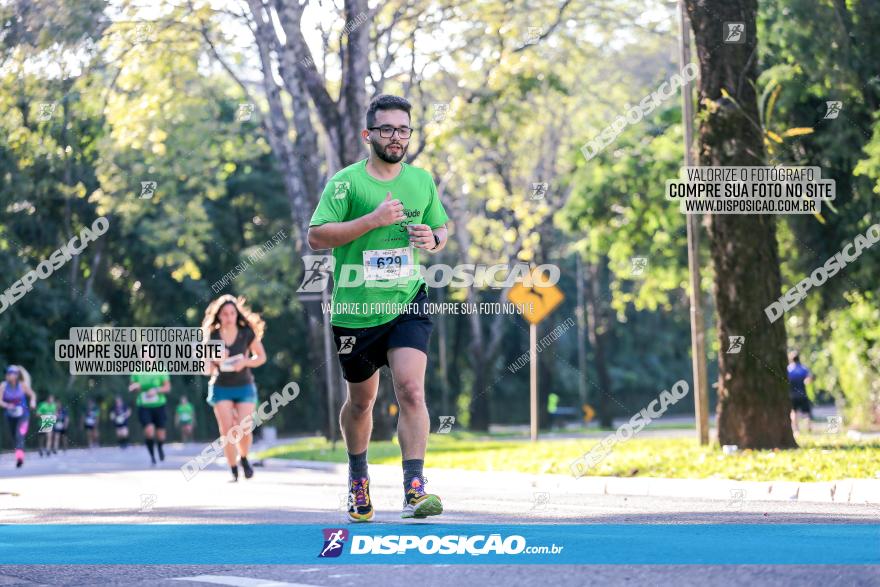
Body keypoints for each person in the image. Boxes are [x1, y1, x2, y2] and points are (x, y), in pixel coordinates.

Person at [307, 94, 449, 521]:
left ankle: (415, 489)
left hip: (407, 299)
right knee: (362, 403)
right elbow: (317, 237)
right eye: (386, 129)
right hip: (355, 311)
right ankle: (357, 477)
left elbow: (440, 226)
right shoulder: (346, 184)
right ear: (368, 134)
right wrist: (373, 219)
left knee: (411, 389)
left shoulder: (421, 180)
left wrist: (434, 239)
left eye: (403, 129)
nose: (396, 137)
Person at [201, 295, 266, 482]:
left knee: (244, 428)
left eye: (232, 313)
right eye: (225, 314)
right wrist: (215, 360)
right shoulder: (212, 337)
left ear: (236, 314)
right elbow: (206, 368)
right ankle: (233, 469)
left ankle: (244, 458)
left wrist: (244, 361)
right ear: (219, 316)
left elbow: (261, 357)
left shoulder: (246, 333)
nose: (229, 317)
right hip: (221, 387)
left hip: (244, 385)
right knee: (228, 431)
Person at [129, 370, 171, 465]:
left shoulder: (161, 369)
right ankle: (152, 456)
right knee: (149, 431)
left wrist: (156, 390)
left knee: (161, 435)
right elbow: (131, 387)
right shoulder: (137, 371)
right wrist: (135, 387)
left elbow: (167, 387)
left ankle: (160, 447)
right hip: (144, 406)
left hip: (159, 406)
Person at [0, 365, 37, 468]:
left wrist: (33, 402)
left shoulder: (22, 385)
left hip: (24, 415)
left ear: (16, 375)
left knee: (19, 436)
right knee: (14, 437)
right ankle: (19, 454)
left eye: (12, 373)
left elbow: (32, 394)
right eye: (8, 373)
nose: (9, 375)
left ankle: (20, 458)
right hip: (10, 415)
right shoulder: (3, 386)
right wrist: (7, 405)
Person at [788, 350, 813, 434]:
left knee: (794, 412)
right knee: (806, 412)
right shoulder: (803, 368)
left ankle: (796, 430)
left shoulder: (788, 369)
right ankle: (808, 428)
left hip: (792, 394)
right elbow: (809, 379)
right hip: (802, 393)